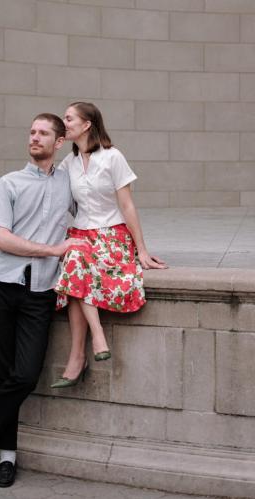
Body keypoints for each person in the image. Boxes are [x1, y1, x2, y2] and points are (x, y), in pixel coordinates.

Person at [0, 113, 86, 488]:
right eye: (32, 132)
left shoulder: (68, 182)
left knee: (25, 375)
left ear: (59, 142)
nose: (35, 137)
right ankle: (8, 457)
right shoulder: (9, 182)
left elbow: (94, 205)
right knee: (2, 374)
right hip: (2, 287)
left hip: (40, 294)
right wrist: (53, 249)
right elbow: (2, 239)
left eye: (44, 133)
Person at [51, 102, 167, 389]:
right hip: (81, 232)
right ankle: (96, 335)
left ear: (87, 124)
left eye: (68, 118)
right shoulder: (69, 163)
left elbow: (127, 205)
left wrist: (141, 249)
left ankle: (78, 355)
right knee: (75, 256)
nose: (63, 122)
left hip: (112, 235)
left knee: (77, 266)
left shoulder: (112, 157)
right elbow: (51, 195)